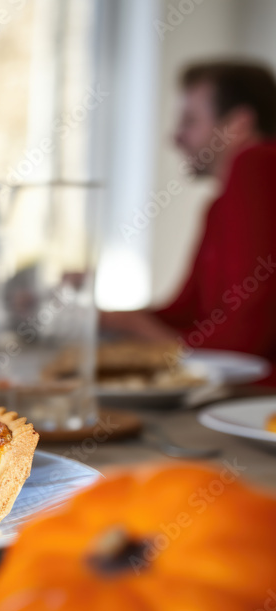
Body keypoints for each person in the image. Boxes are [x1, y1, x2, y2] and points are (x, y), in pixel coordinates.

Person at [102, 61, 276, 382]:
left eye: (190, 121)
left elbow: (244, 342)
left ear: (238, 124)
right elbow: (186, 312)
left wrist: (132, 327)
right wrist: (107, 317)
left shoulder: (256, 162)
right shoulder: (219, 205)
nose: (176, 137)